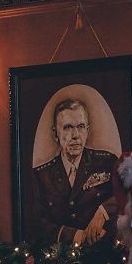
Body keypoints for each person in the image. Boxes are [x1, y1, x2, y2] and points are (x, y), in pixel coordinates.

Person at [30, 97, 119, 246]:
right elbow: (38, 223)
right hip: (59, 260)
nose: (76, 135)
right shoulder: (42, 175)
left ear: (87, 130)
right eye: (68, 127)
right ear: (55, 133)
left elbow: (127, 195)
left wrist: (102, 212)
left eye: (81, 126)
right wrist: (77, 236)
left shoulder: (107, 162)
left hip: (103, 255)